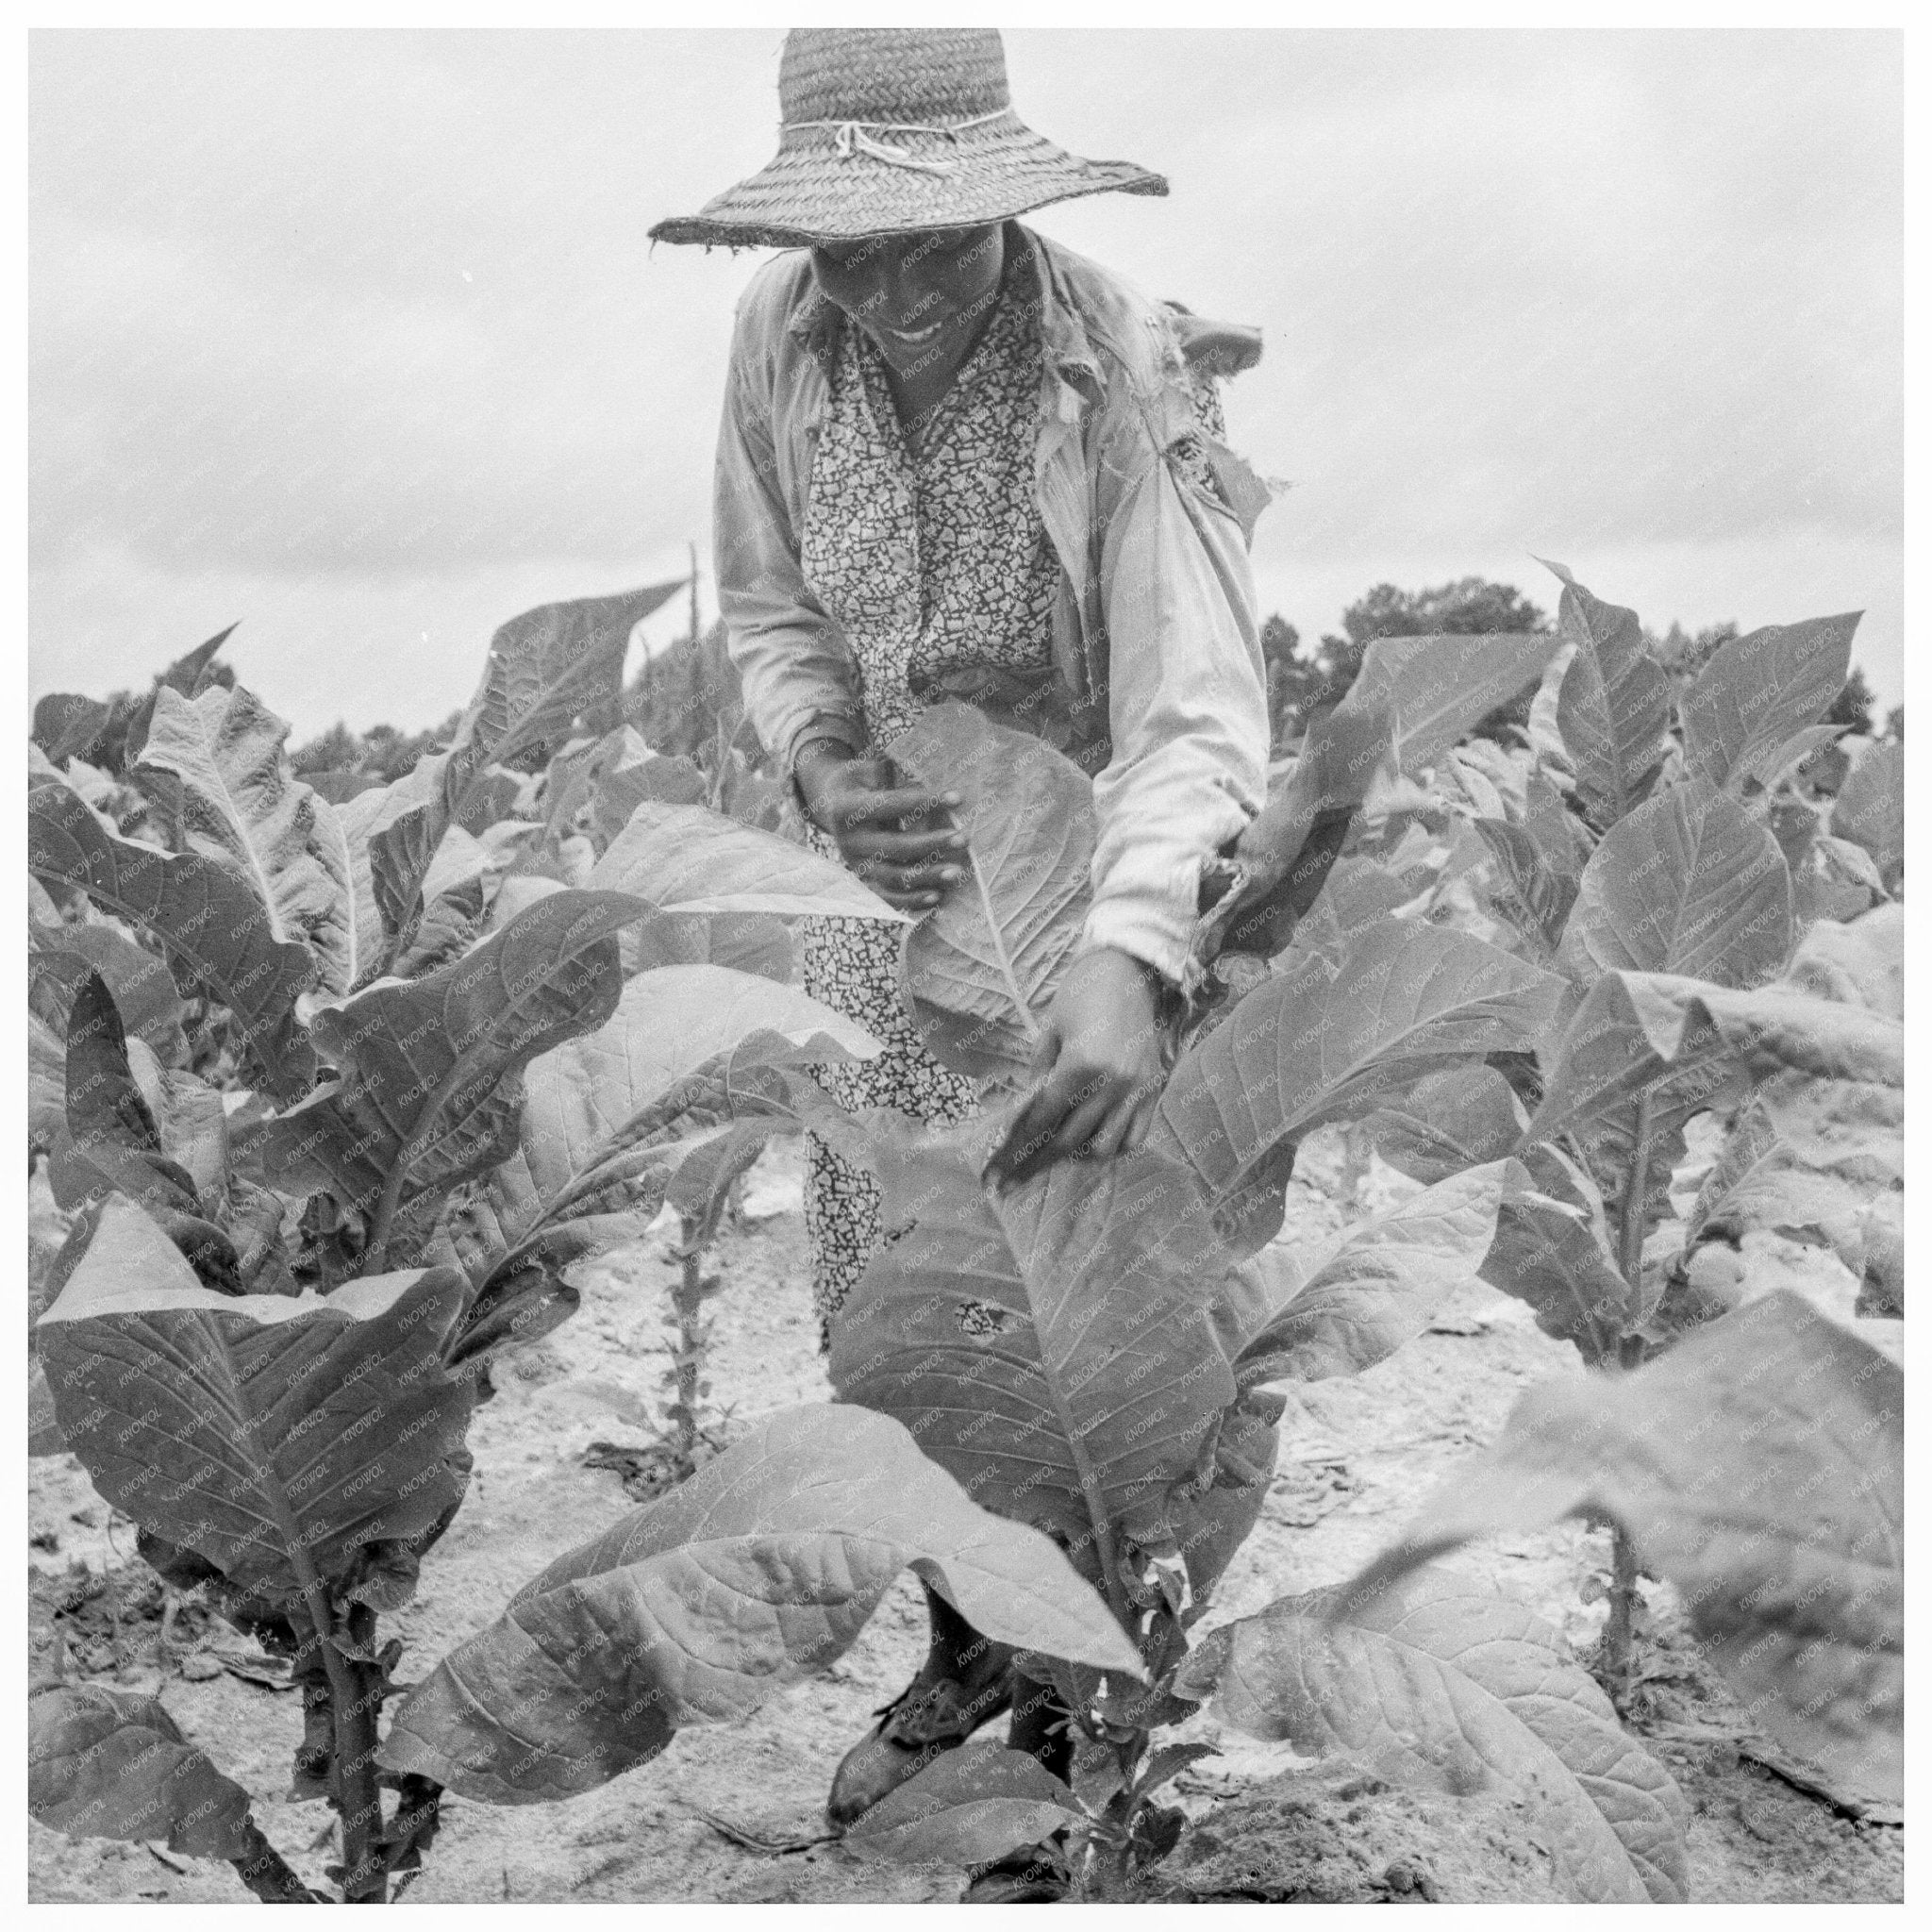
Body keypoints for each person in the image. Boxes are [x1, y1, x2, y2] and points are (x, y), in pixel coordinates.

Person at [651, 26, 1273, 1902]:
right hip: (902, 919)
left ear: (1007, 206)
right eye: (855, 248)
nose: (896, 291)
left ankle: (1106, 1718)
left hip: (1101, 905)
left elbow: (1195, 694)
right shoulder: (778, 336)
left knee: (1112, 1320)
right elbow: (768, 612)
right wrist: (826, 764)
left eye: (936, 245)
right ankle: (969, 1641)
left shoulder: (1117, 352)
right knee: (910, 1307)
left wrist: (1133, 944)